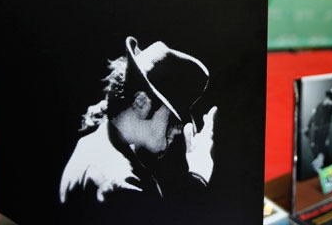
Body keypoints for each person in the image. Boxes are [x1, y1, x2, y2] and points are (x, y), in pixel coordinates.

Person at [59, 36, 217, 224]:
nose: (177, 130)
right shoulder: (121, 184)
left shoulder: (91, 143)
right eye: (174, 118)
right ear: (141, 103)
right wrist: (199, 175)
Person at [304, 86, 332, 173]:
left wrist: (321, 153)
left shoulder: (330, 109)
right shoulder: (320, 105)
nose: (329, 100)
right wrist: (308, 127)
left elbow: (326, 130)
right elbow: (313, 117)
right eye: (329, 96)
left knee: (323, 160)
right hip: (314, 135)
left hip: (322, 138)